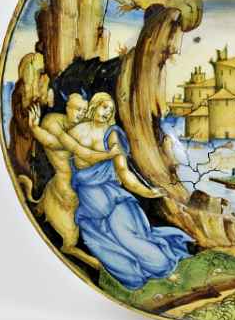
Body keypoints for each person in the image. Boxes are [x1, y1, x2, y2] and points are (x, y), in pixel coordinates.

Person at [67, 92, 194, 289]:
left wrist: (147, 192)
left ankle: (164, 268)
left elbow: (124, 173)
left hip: (113, 197)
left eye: (110, 110)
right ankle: (136, 276)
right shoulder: (74, 132)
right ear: (94, 106)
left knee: (130, 238)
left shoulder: (112, 135)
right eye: (104, 107)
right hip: (90, 203)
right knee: (103, 245)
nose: (106, 113)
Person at [28, 94, 121, 269]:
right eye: (78, 109)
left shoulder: (79, 128)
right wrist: (34, 128)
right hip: (67, 188)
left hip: (83, 183)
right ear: (67, 108)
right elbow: (78, 151)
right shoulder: (56, 126)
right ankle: (83, 254)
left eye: (84, 110)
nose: (81, 114)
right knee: (75, 232)